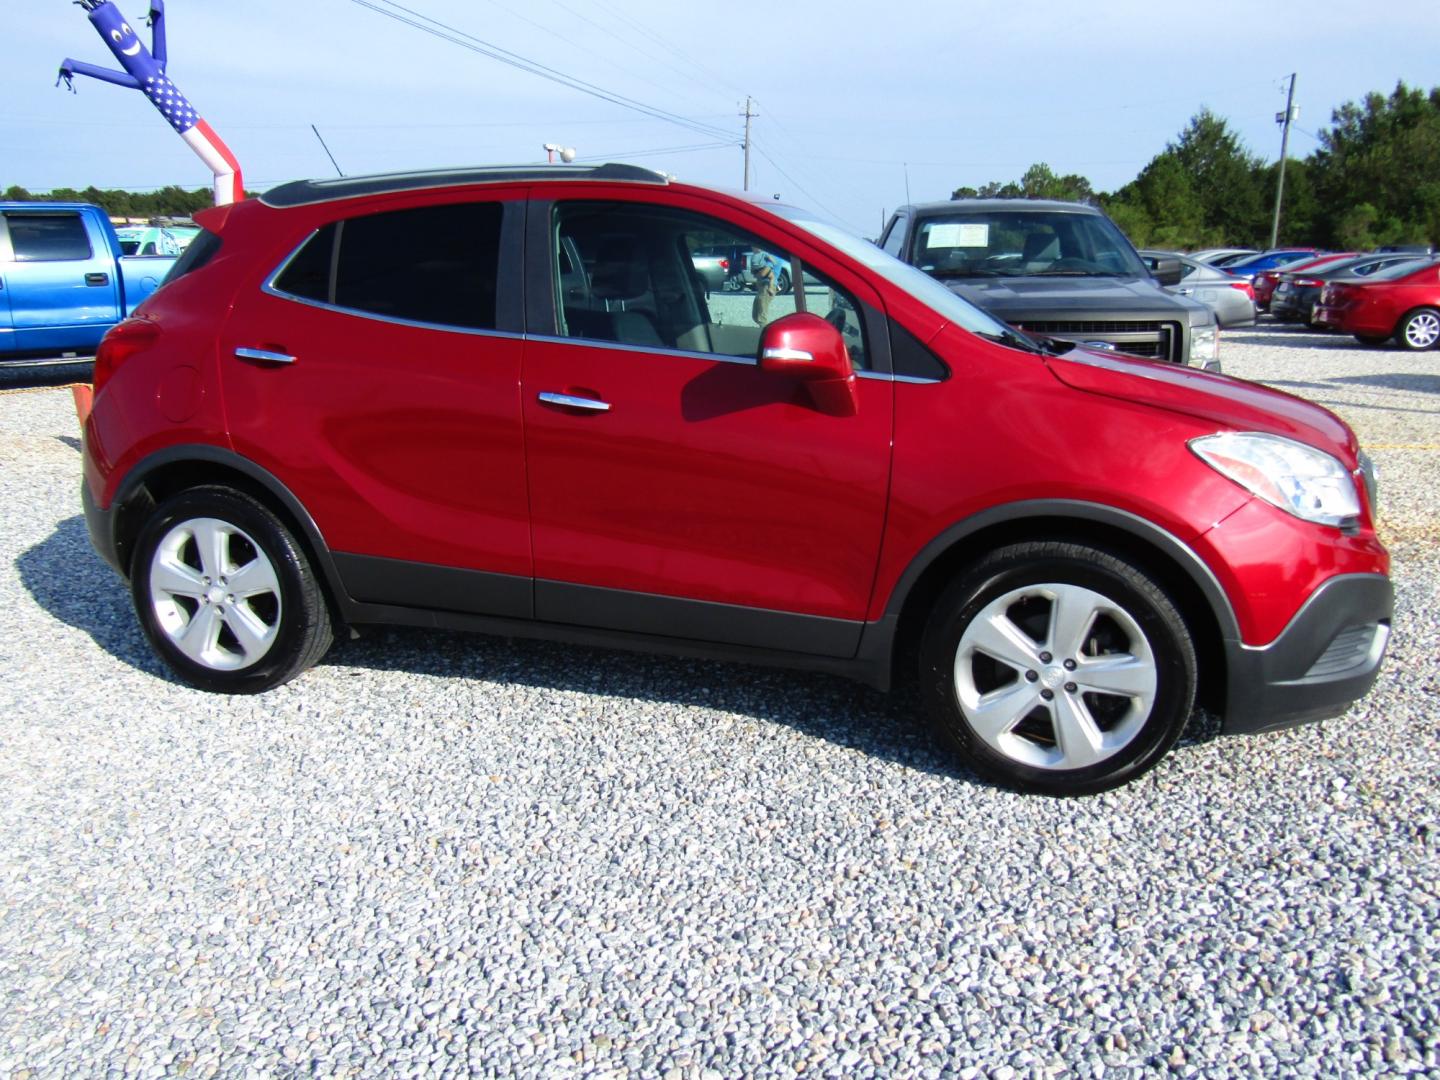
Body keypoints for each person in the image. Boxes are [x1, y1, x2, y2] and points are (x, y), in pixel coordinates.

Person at [749, 246, 786, 325]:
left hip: (768, 285)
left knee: (761, 315)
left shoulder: (774, 256)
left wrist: (757, 274)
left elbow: (763, 273)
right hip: (762, 285)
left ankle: (764, 332)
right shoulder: (765, 255)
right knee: (756, 314)